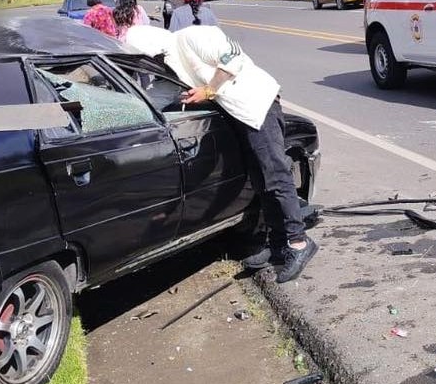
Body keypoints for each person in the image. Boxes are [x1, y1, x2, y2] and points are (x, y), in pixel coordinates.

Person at [124, 24, 317, 283]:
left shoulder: (192, 37)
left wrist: (208, 90)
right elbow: (156, 97)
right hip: (236, 115)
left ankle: (299, 243)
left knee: (275, 176)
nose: (154, 64)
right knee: (260, 181)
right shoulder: (170, 67)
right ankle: (278, 243)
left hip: (257, 106)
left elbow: (232, 58)